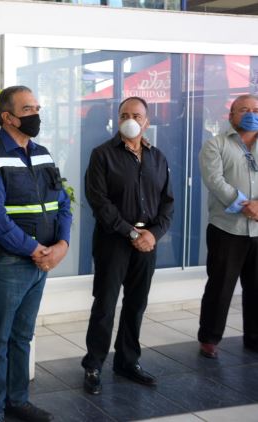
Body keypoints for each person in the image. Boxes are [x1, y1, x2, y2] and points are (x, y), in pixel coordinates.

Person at [0, 85, 72, 422]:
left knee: (22, 336)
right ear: (7, 116)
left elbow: (63, 203)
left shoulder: (42, 152)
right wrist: (37, 249)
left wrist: (62, 245)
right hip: (7, 264)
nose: (36, 115)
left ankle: (17, 400)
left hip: (39, 263)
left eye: (37, 107)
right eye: (28, 109)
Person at [81, 96, 174, 395]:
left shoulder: (158, 157)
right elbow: (99, 202)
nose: (130, 119)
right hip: (113, 241)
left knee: (136, 304)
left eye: (136, 114)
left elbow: (167, 202)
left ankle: (127, 361)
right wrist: (131, 233)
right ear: (117, 119)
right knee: (105, 305)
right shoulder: (102, 155)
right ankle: (94, 364)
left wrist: (153, 235)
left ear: (147, 121)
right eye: (124, 114)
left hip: (147, 243)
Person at [197, 94, 258, 359]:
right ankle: (209, 339)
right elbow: (214, 180)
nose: (251, 113)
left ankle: (254, 337)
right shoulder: (216, 144)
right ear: (231, 114)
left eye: (256, 109)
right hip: (226, 229)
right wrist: (246, 205)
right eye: (244, 109)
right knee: (221, 287)